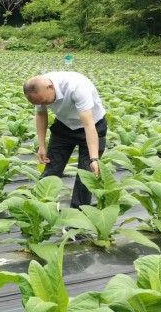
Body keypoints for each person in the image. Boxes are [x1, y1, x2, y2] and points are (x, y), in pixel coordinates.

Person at [23, 71, 107, 209]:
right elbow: (41, 114)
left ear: (50, 87)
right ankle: (39, 208)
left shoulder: (77, 87)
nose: (43, 104)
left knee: (87, 174)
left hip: (93, 126)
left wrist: (94, 159)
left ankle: (78, 216)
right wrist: (42, 145)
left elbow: (88, 124)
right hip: (64, 125)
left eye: (44, 101)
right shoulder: (39, 90)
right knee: (52, 167)